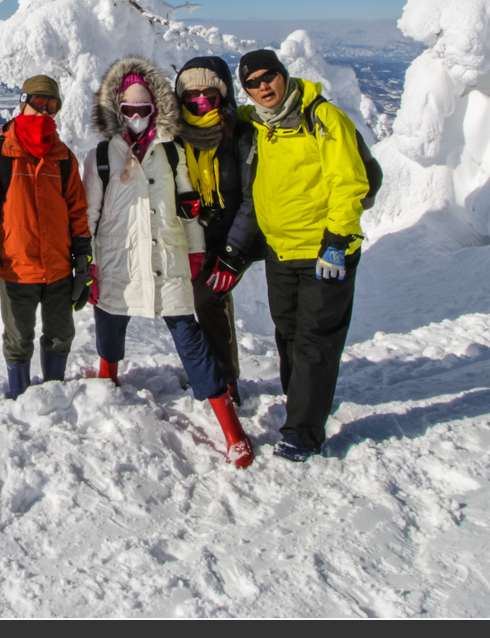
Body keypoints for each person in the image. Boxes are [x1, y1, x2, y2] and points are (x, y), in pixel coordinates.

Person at [83, 56, 253, 468]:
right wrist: (86, 262)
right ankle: (108, 376)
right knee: (109, 320)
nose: (137, 117)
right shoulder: (102, 157)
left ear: (155, 110)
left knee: (188, 336)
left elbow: (187, 208)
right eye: (129, 110)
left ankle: (231, 429)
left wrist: (194, 251)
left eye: (144, 110)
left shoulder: (172, 153)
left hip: (167, 255)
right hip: (117, 257)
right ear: (117, 111)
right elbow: (87, 216)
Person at [236, 49, 371, 462]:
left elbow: (350, 182)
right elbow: (207, 115)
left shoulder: (322, 118)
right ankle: (306, 403)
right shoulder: (258, 124)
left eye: (268, 76)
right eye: (253, 82)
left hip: (324, 251)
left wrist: (336, 240)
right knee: (289, 334)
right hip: (281, 251)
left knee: (315, 340)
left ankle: (303, 431)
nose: (263, 86)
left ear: (284, 74)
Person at [0, 74, 93, 400]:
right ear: (23, 103)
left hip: (58, 268)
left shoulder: (63, 157)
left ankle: (53, 395)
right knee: (18, 338)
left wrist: (84, 261)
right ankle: (19, 396)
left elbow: (78, 213)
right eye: (38, 102)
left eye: (51, 105)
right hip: (16, 266)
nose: (44, 111)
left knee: (61, 334)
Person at [173, 56, 262, 408]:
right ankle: (213, 374)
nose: (198, 100)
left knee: (209, 298)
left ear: (222, 94)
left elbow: (251, 197)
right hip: (196, 238)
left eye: (207, 93)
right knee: (200, 301)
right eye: (190, 94)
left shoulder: (239, 133)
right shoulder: (176, 132)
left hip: (234, 238)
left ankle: (224, 382)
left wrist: (232, 253)